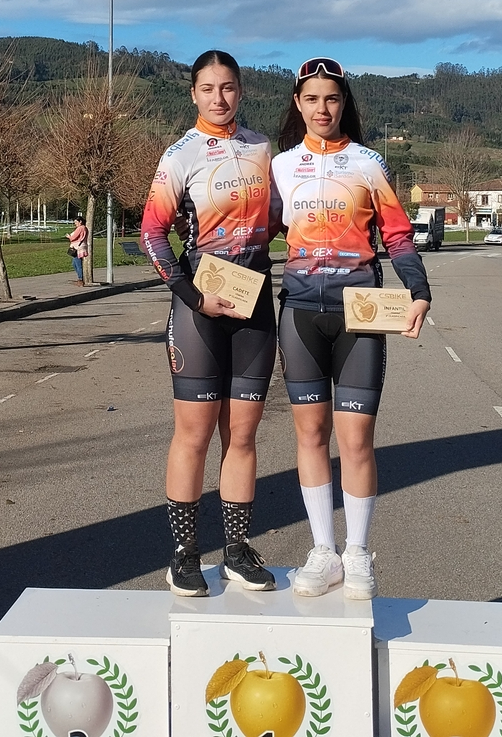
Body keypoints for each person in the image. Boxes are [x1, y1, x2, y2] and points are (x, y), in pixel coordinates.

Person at [272, 57, 431, 600]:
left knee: (356, 438)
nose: (322, 108)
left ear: (344, 105)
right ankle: (323, 551)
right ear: (299, 104)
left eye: (332, 99)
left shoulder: (368, 163)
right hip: (299, 311)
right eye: (312, 99)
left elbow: (398, 234)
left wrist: (420, 290)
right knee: (310, 435)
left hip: (359, 311)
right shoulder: (282, 166)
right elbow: (251, 226)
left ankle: (357, 554)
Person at [140, 50, 282, 597]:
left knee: (242, 435)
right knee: (194, 435)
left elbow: (273, 222)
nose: (218, 98)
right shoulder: (180, 155)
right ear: (193, 93)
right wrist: (192, 295)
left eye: (227, 88)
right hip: (199, 307)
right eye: (207, 88)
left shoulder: (261, 148)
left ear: (240, 91)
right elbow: (152, 235)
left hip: (253, 302)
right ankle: (183, 554)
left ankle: (238, 551)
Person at [66, 215, 88, 285]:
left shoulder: (80, 228)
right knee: (74, 264)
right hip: (82, 246)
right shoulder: (85, 228)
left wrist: (69, 236)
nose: (75, 224)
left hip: (77, 248)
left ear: (80, 221)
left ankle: (80, 279)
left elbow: (73, 238)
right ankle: (80, 276)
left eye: (76, 222)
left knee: (78, 264)